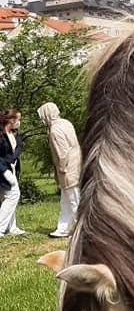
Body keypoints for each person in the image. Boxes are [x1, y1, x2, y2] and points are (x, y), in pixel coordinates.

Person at [37, 102, 81, 238]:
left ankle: (83, 231)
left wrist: (61, 168)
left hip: (68, 167)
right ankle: (63, 228)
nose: (41, 119)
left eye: (42, 116)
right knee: (66, 200)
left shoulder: (55, 130)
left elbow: (62, 152)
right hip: (76, 162)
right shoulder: (65, 122)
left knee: (74, 199)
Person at [0, 108, 26, 236]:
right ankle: (0, 228)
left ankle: (12, 227)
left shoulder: (14, 133)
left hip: (12, 168)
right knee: (13, 195)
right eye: (18, 119)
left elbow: (18, 147)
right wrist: (5, 171)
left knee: (7, 197)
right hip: (3, 170)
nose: (19, 122)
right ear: (11, 120)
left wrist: (14, 157)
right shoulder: (1, 134)